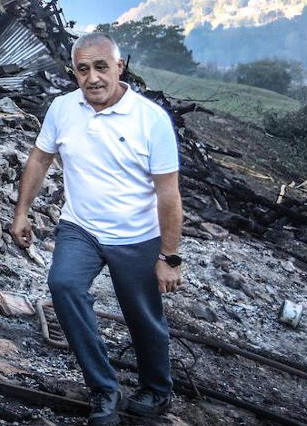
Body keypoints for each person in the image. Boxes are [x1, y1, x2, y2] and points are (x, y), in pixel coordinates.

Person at [10, 32, 183, 426]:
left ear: (119, 67)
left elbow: (169, 196)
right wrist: (21, 212)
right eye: (83, 70)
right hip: (81, 227)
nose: (93, 78)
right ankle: (105, 388)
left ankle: (157, 391)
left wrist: (169, 256)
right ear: (75, 73)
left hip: (136, 234)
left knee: (142, 315)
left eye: (101, 67)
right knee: (64, 286)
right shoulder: (62, 109)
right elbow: (39, 160)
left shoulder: (151, 120)